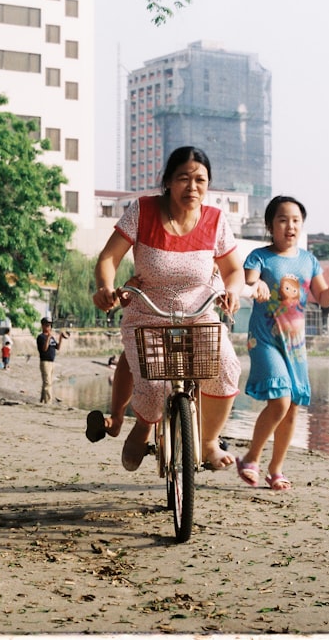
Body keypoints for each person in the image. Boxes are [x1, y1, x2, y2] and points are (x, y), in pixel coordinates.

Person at [90, 145, 243, 472]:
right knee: (157, 385)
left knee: (227, 366)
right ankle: (143, 425)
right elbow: (108, 259)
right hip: (147, 314)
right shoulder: (142, 211)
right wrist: (105, 287)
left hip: (199, 313)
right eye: (183, 179)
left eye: (200, 180)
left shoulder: (215, 220)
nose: (192, 187)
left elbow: (233, 270)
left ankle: (208, 441)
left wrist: (232, 290)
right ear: (168, 182)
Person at [235, 196, 329, 491]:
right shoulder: (259, 257)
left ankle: (276, 469)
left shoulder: (308, 260)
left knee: (292, 408)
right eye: (283, 220)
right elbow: (246, 284)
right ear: (270, 225)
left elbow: (323, 299)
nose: (290, 226)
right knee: (280, 401)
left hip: (295, 344)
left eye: (296, 220)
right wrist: (256, 285)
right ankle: (251, 458)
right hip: (264, 339)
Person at [37, 317, 69, 403]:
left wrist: (61, 338)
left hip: (51, 362)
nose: (49, 327)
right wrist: (48, 337)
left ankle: (42, 400)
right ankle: (48, 402)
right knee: (48, 382)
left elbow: (57, 347)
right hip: (45, 362)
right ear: (43, 326)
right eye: (47, 325)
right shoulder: (41, 337)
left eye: (50, 325)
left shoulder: (51, 338)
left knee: (48, 382)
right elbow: (44, 349)